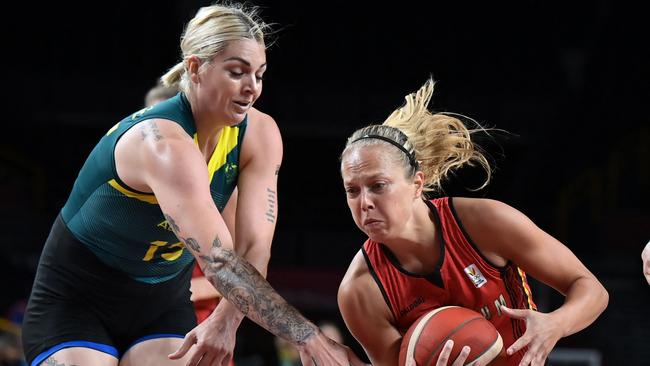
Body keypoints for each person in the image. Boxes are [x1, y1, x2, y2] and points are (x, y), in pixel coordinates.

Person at [22, 3, 366, 366]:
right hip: (77, 301)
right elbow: (219, 262)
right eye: (237, 72)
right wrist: (308, 337)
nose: (251, 88)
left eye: (260, 75)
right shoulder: (163, 144)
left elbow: (252, 250)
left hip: (160, 306)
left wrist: (224, 321)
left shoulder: (260, 134)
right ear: (195, 67)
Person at [337, 78, 609, 366]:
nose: (364, 202)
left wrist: (555, 324)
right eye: (352, 190)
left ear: (417, 184)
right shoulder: (360, 291)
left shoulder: (484, 223)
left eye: (378, 185)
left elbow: (592, 290)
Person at [144, 82, 227, 328]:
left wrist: (159, 289)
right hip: (148, 327)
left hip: (200, 328)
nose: (155, 131)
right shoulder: (135, 192)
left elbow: (241, 274)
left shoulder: (218, 185)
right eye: (149, 120)